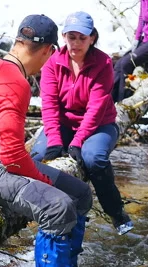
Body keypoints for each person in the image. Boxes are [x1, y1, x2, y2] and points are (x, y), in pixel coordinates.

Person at [0, 14, 93, 267]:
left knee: (80, 194)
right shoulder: (15, 81)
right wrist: (47, 182)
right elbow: (13, 156)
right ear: (48, 51)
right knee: (58, 208)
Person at [31, 11, 134, 237]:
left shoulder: (103, 63)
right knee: (37, 157)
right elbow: (48, 104)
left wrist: (77, 142)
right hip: (64, 123)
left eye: (82, 38)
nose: (76, 43)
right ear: (65, 37)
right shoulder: (51, 63)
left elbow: (96, 109)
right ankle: (33, 210)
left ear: (92, 38)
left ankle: (116, 212)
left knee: (93, 159)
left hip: (99, 125)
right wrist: (56, 140)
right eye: (71, 37)